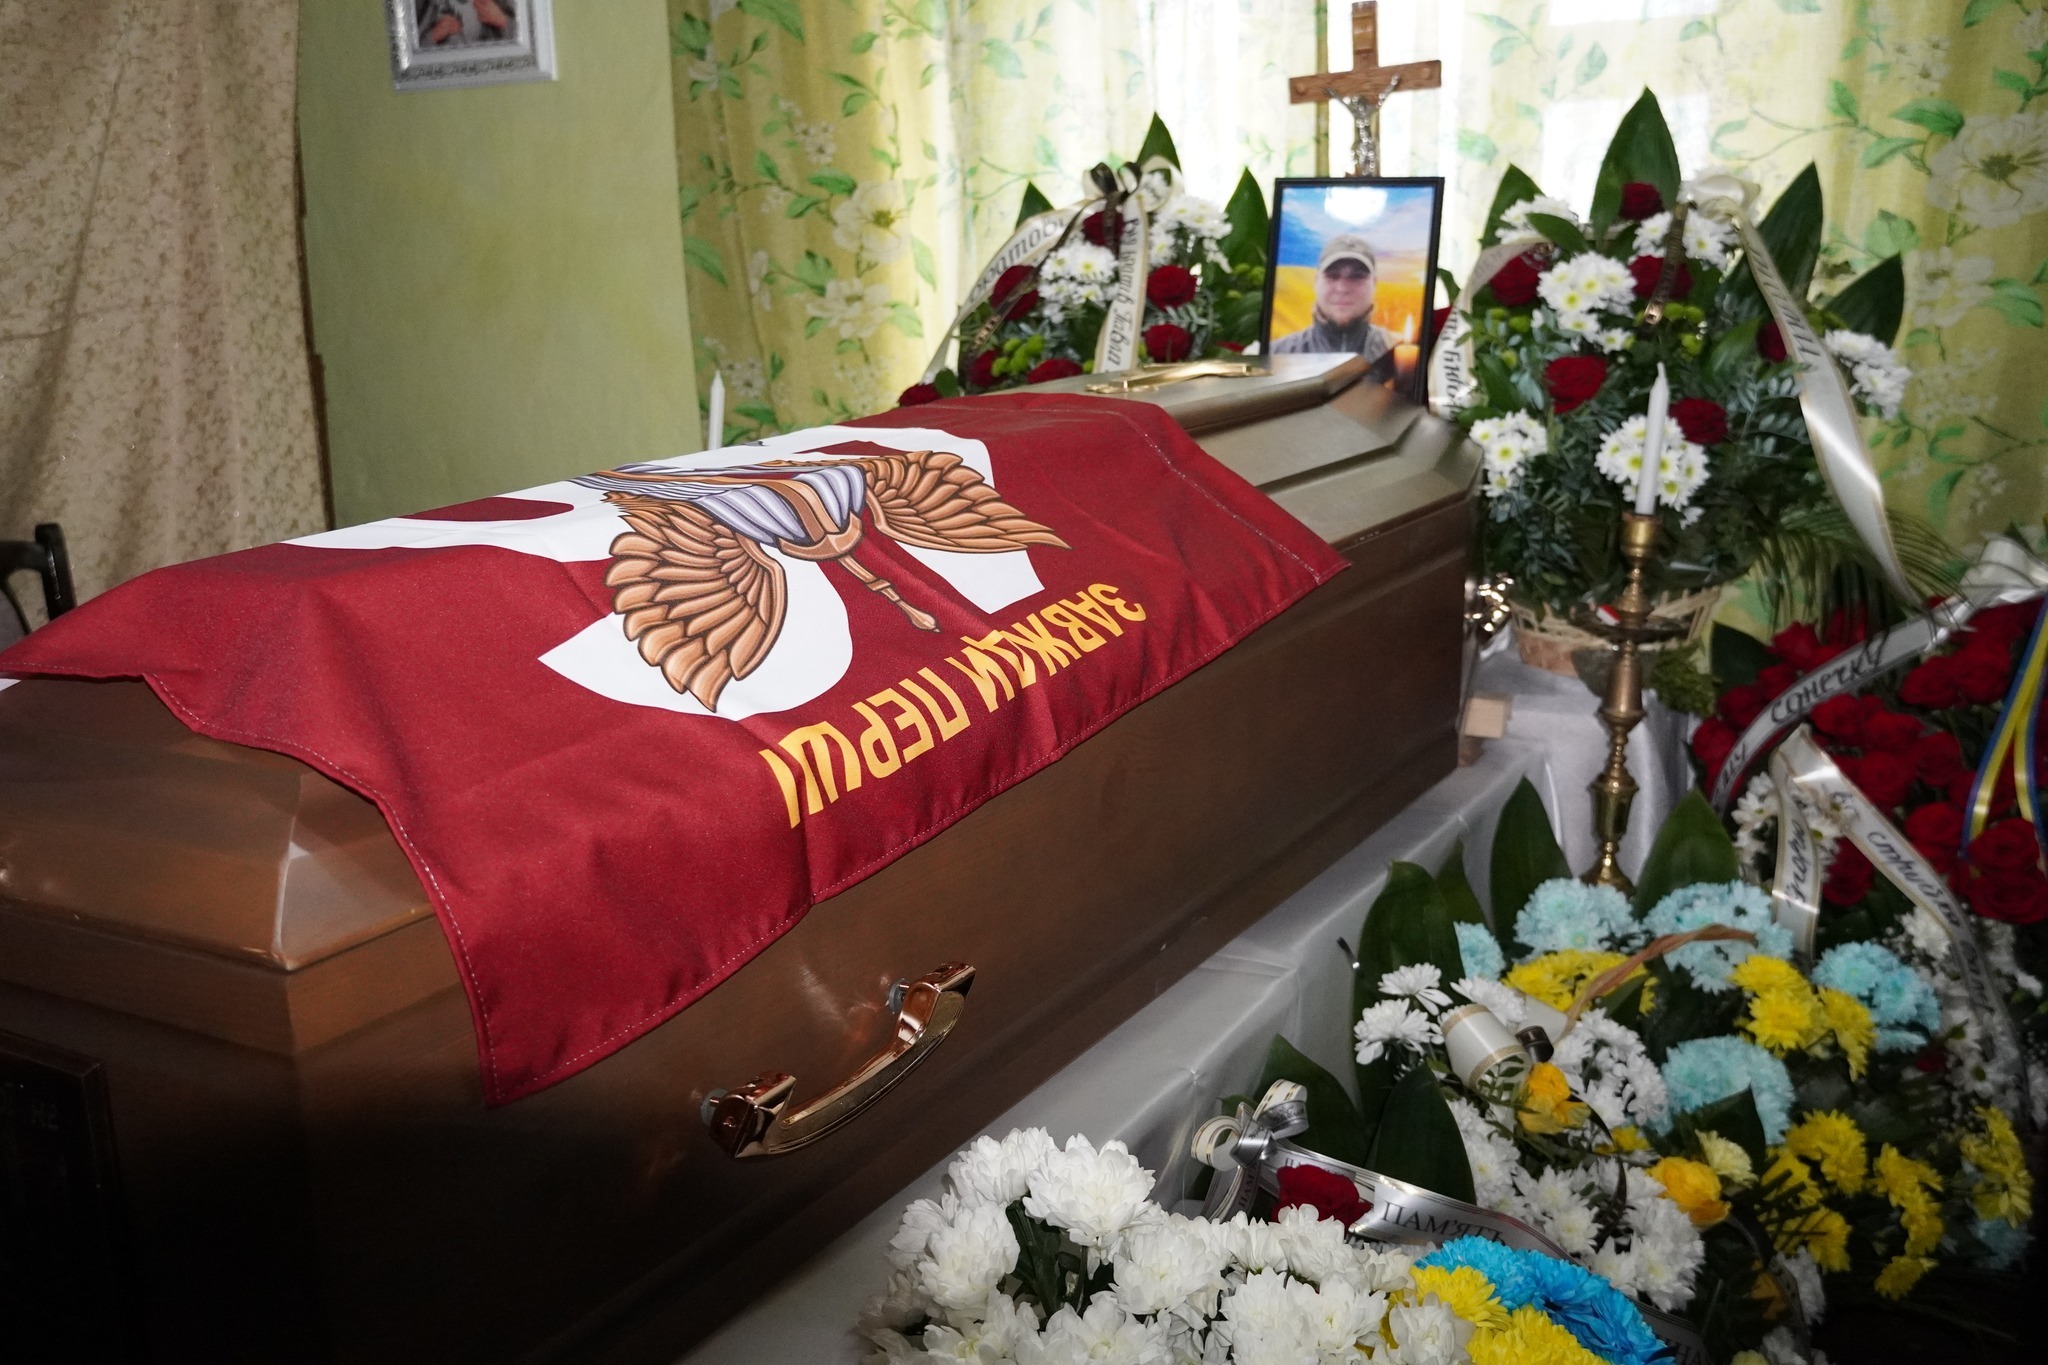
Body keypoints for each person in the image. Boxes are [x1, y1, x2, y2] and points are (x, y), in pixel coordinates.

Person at [1270, 233, 1401, 379]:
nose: (1342, 288)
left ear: (1374, 284)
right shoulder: (1274, 355)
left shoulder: (1401, 353)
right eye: (1332, 275)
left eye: (1357, 276)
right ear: (1316, 282)